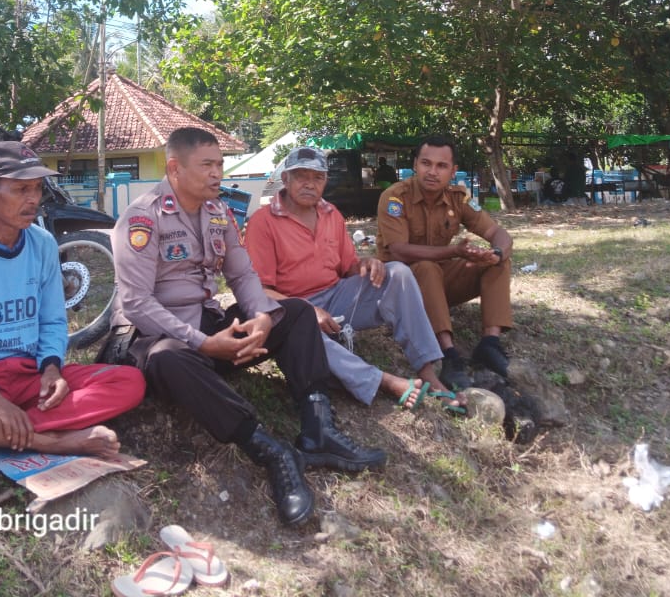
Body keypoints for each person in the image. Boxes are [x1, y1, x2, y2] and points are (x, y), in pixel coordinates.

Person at [108, 127, 386, 526]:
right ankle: (271, 451)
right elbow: (137, 304)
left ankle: (319, 430)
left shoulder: (217, 212)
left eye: (220, 164)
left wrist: (262, 317)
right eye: (207, 165)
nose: (217, 173)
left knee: (296, 312)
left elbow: (242, 275)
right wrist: (202, 343)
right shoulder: (142, 218)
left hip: (209, 325)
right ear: (174, 169)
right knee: (169, 357)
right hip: (157, 337)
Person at [0, 141, 146, 459]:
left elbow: (52, 321)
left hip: (28, 377)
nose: (33, 199)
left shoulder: (42, 244)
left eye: (36, 188)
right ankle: (51, 441)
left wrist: (51, 369)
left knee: (128, 382)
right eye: (20, 189)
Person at [246, 147, 465, 413]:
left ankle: (428, 372)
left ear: (325, 181)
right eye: (301, 176)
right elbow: (260, 290)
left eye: (317, 177)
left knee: (398, 273)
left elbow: (347, 267)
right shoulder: (263, 222)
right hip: (291, 308)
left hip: (336, 297)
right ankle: (383, 381)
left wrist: (366, 264)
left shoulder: (331, 214)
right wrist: (307, 310)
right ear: (285, 179)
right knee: (303, 332)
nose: (310, 184)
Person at [377, 134, 516, 392]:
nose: (432, 172)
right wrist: (453, 251)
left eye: (441, 166)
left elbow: (498, 233)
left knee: (496, 263)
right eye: (425, 163)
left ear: (453, 171)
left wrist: (496, 252)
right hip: (401, 287)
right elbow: (398, 251)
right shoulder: (395, 197)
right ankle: (449, 355)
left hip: (438, 285)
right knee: (426, 267)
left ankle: (490, 344)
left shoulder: (458, 197)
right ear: (415, 165)